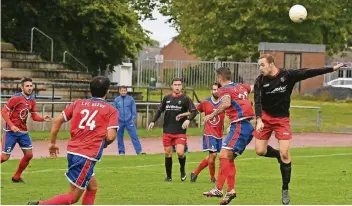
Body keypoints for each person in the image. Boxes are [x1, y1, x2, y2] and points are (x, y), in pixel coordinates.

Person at [253, 54, 345, 205]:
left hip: (282, 119)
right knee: (260, 151)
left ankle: (285, 189)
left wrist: (331, 68)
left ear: (271, 64)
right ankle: (276, 155)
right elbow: (257, 101)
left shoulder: (287, 75)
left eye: (262, 65)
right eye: (259, 66)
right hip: (266, 118)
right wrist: (258, 119)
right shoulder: (260, 81)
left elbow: (308, 72)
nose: (260, 68)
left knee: (285, 153)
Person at [28, 76, 119, 205]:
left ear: (90, 90)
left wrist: (52, 143)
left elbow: (58, 121)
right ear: (107, 91)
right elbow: (111, 136)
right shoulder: (111, 110)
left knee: (92, 187)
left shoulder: (78, 103)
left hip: (73, 152)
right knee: (72, 197)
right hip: (86, 156)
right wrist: (103, 143)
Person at [202, 67, 254, 205]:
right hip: (247, 126)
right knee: (228, 158)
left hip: (239, 125)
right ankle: (229, 190)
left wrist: (211, 115)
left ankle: (219, 188)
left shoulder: (223, 90)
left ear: (219, 78)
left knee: (223, 155)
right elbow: (254, 87)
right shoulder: (241, 86)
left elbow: (225, 103)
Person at [1, 77, 51, 183]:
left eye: (31, 86)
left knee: (29, 155)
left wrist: (43, 119)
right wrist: (11, 125)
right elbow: (4, 112)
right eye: (27, 86)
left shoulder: (32, 100)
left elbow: (34, 116)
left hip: (23, 132)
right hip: (10, 132)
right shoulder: (15, 98)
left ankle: (16, 177)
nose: (29, 88)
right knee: (5, 157)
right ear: (22, 87)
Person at [148, 78, 198, 182]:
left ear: (182, 86)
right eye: (175, 84)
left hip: (180, 131)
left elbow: (194, 111)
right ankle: (169, 177)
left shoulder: (185, 99)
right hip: (167, 130)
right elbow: (159, 110)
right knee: (168, 153)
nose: (177, 87)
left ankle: (182, 170)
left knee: (180, 153)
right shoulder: (167, 98)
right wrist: (153, 121)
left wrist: (188, 120)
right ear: (172, 86)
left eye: (179, 85)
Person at [190, 82, 224, 183]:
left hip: (219, 133)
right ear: (211, 91)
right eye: (214, 89)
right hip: (209, 132)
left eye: (217, 89)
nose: (216, 91)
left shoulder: (224, 102)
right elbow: (195, 111)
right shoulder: (206, 102)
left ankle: (195, 173)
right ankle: (212, 178)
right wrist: (187, 117)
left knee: (212, 156)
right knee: (213, 155)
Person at [113, 86, 145, 155]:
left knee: (134, 136)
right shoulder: (116, 100)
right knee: (120, 137)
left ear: (126, 91)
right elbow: (114, 111)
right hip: (119, 121)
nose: (123, 92)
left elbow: (133, 109)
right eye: (122, 91)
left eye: (124, 91)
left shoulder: (131, 99)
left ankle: (139, 151)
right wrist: (116, 120)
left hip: (129, 121)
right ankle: (121, 152)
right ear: (119, 91)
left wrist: (133, 118)